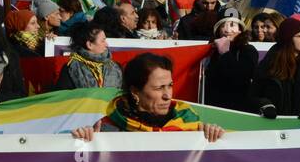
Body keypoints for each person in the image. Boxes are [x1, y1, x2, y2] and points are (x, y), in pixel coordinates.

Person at [72, 52, 224, 142]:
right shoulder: (108, 129)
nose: (167, 96)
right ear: (135, 92)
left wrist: (214, 137)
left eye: (170, 85)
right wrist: (84, 143)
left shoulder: (189, 122)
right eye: (159, 88)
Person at [251, 13, 300, 118]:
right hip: (272, 125)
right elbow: (254, 94)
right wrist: (266, 105)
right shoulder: (268, 64)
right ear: (288, 38)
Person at [204, 8, 257, 113]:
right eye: (223, 26)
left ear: (240, 30)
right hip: (213, 109)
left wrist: (225, 53)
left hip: (238, 112)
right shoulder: (212, 51)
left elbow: (240, 79)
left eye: (232, 25)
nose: (227, 30)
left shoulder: (248, 50)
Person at [54, 20, 122, 90]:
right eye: (103, 41)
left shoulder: (115, 67)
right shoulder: (71, 68)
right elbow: (64, 96)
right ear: (89, 45)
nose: (107, 44)